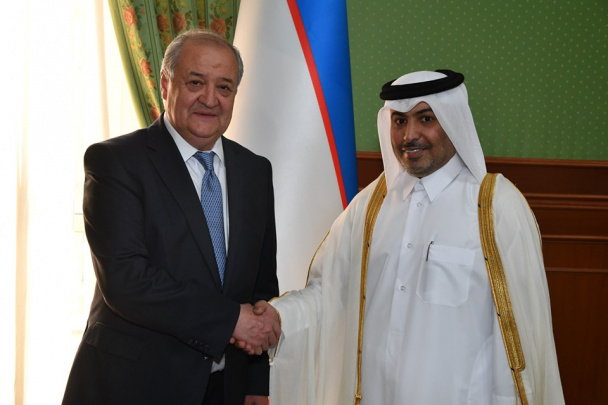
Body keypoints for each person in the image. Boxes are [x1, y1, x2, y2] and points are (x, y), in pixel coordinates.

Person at [264, 70, 565, 404]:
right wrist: (275, 319)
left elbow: (520, 337)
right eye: (399, 121)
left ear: (452, 121)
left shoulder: (495, 207)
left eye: (426, 118)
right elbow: (328, 293)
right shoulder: (370, 205)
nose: (410, 135)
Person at [62, 29, 280, 405]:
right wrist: (230, 320)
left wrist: (257, 383)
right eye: (195, 82)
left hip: (226, 388)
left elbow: (261, 285)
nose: (209, 99)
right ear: (165, 84)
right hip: (134, 386)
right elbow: (127, 281)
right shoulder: (116, 162)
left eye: (224, 87)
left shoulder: (255, 170)